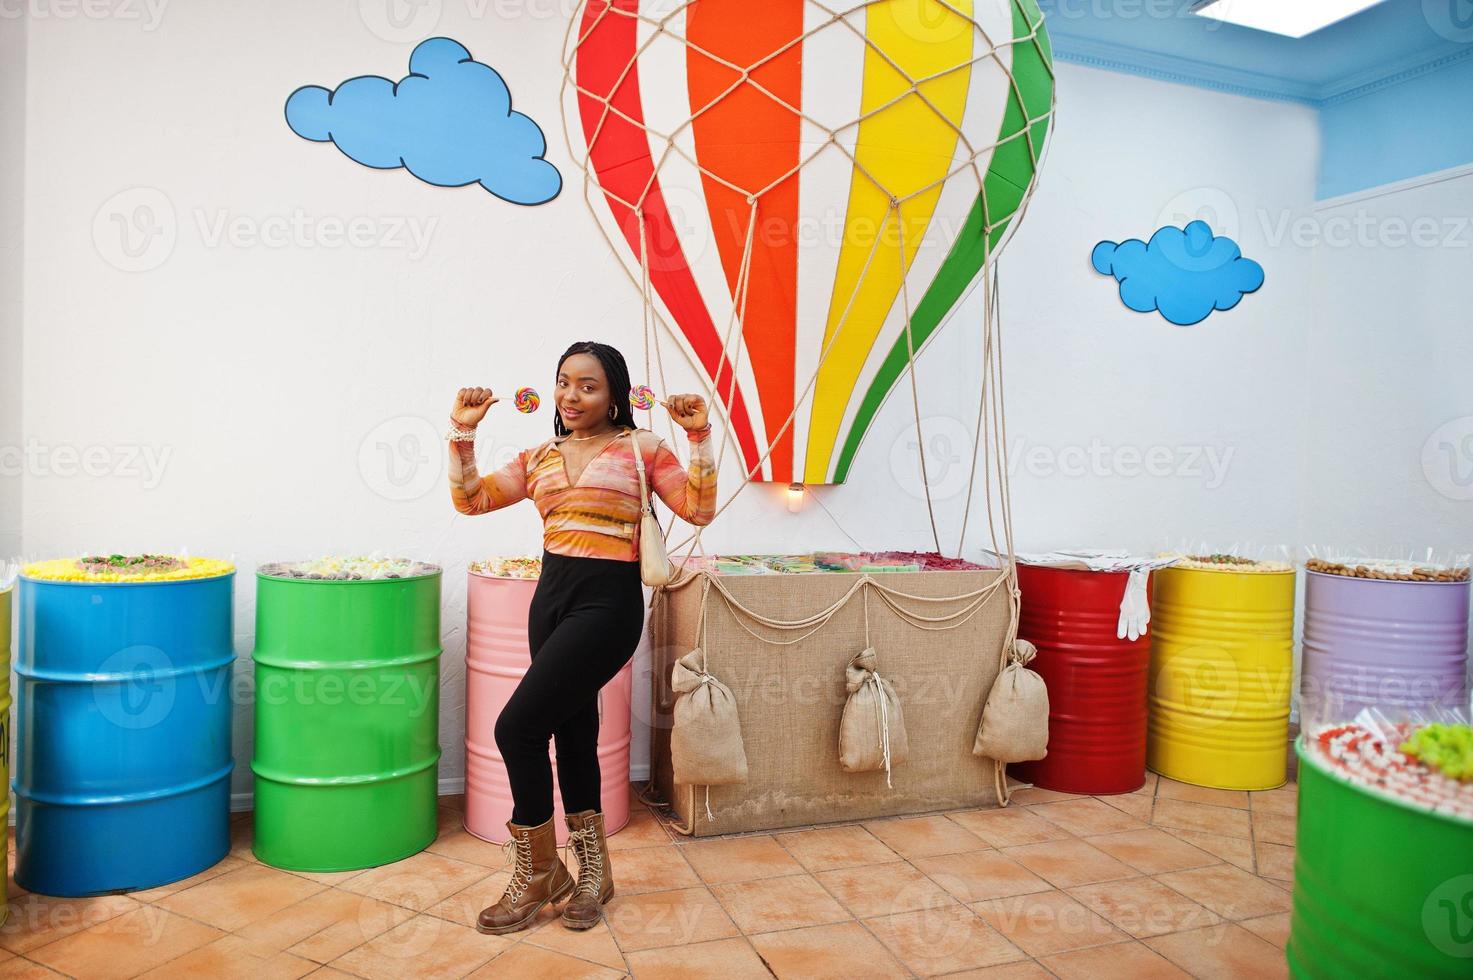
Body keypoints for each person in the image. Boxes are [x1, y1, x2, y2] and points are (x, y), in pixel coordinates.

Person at [447, 341, 716, 934]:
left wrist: (699, 439)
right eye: (565, 382)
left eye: (588, 386)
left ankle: (539, 870)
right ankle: (594, 876)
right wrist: (463, 434)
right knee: (573, 733)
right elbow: (471, 500)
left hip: (608, 606)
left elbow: (697, 509)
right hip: (550, 604)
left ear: (614, 394)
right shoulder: (541, 453)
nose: (572, 396)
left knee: (515, 727)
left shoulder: (643, 449)